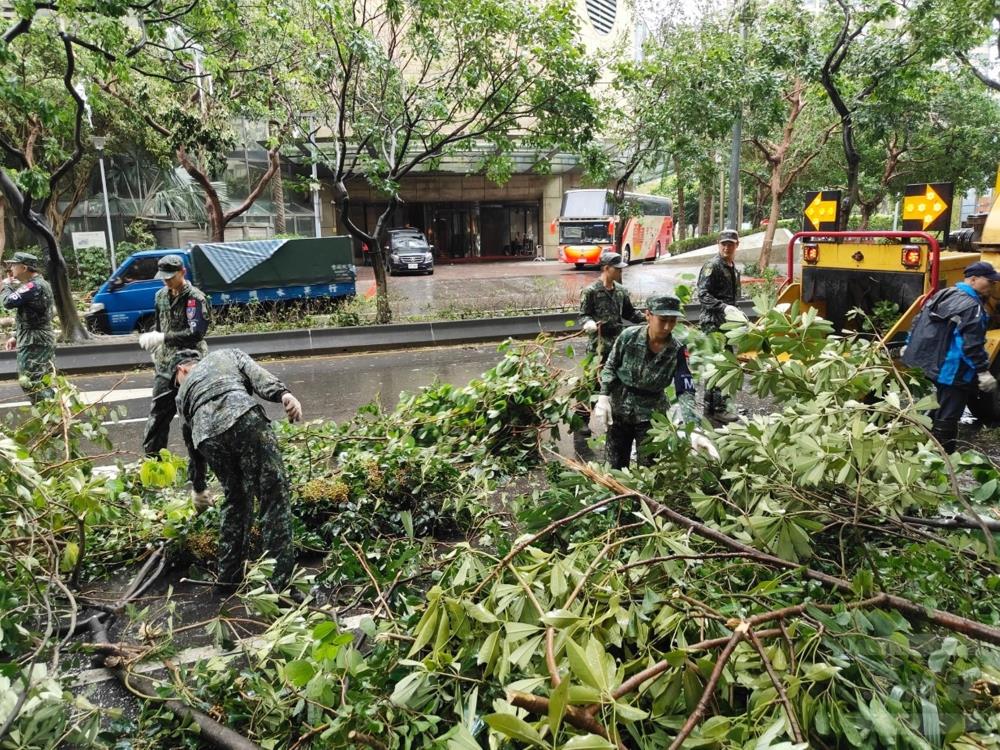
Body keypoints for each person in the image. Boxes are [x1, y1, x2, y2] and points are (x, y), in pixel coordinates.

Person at [171, 348, 303, 588]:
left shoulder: (181, 394)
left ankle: (228, 579)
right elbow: (257, 375)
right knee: (273, 498)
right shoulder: (227, 354)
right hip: (244, 418)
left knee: (236, 500)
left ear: (182, 370)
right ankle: (281, 587)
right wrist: (283, 395)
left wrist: (198, 487)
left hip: (207, 438)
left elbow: (190, 441)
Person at [593, 294, 713, 469]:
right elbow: (610, 366)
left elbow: (685, 388)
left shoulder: (678, 350)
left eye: (672, 321)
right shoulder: (628, 337)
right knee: (614, 467)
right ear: (648, 315)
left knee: (648, 470)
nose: (667, 326)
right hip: (620, 409)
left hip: (652, 415)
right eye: (663, 319)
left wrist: (693, 428)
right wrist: (603, 396)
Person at [902, 261, 1000, 453]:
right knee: (948, 416)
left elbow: (918, 320)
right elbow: (970, 345)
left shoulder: (943, 293)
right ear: (973, 279)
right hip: (952, 372)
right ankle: (941, 459)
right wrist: (982, 371)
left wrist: (909, 343)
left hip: (930, 366)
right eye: (989, 281)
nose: (992, 285)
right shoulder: (973, 307)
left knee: (929, 407)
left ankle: (917, 450)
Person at [138, 254, 211, 502]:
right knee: (158, 414)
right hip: (165, 363)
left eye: (171, 277)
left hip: (190, 363)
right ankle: (153, 471)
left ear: (183, 273)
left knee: (192, 418)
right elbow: (161, 325)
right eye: (164, 278)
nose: (167, 282)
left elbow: (196, 332)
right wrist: (156, 341)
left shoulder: (195, 298)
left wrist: (163, 338)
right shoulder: (160, 296)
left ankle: (200, 477)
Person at [576, 250, 644, 436]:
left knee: (619, 381)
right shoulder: (591, 291)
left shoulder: (621, 291)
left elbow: (630, 313)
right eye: (617, 269)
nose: (621, 272)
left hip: (618, 343)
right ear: (606, 268)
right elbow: (583, 315)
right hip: (598, 344)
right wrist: (588, 322)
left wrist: (647, 319)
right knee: (592, 383)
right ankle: (581, 419)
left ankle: (616, 418)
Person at [697, 229, 741, 423]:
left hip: (727, 325)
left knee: (719, 366)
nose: (726, 247)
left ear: (736, 245)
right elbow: (703, 294)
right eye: (723, 243)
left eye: (730, 244)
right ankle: (719, 408)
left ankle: (711, 406)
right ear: (718, 244)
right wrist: (723, 308)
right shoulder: (713, 266)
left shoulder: (732, 268)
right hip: (713, 324)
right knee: (719, 366)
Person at [1, 251, 56, 403]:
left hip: (34, 340)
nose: (10, 267)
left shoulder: (33, 286)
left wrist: (5, 286)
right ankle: (55, 416)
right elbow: (32, 316)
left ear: (24, 268)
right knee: (40, 381)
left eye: (13, 264)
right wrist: (16, 336)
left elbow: (8, 302)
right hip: (36, 337)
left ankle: (52, 418)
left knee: (30, 382)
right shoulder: (37, 284)